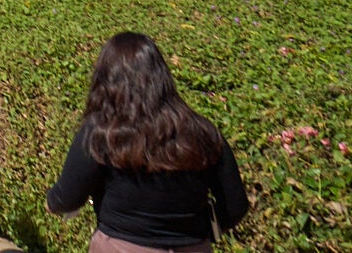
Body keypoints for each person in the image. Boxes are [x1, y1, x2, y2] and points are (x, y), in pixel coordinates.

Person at [46, 33, 251, 253]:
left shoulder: (102, 132)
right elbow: (235, 206)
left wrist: (51, 203)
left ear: (107, 81)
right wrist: (200, 234)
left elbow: (66, 197)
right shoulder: (203, 132)